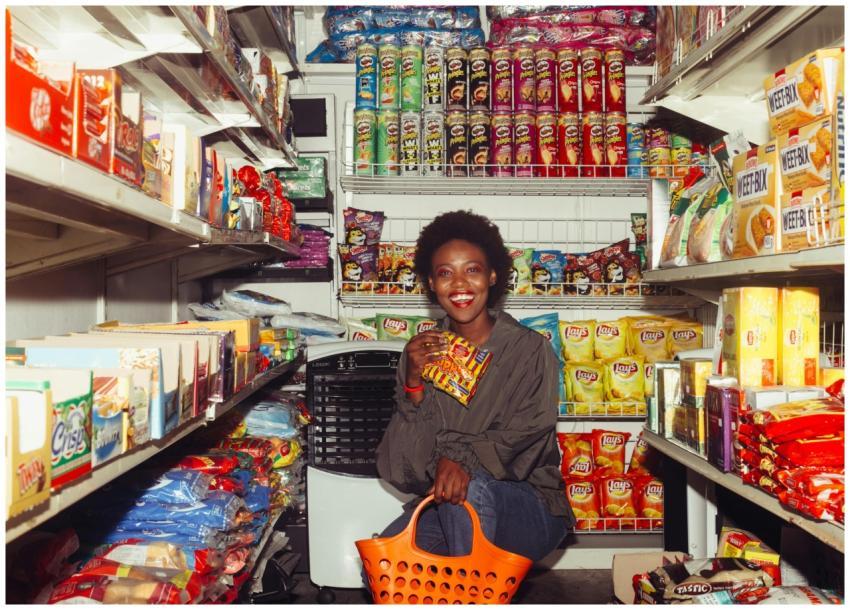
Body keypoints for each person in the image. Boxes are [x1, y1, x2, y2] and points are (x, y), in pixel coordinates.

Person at [375, 210, 574, 563]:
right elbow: (402, 469)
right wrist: (413, 385)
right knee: (384, 564)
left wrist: (460, 458)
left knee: (462, 492)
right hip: (450, 503)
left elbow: (525, 436)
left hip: (530, 506)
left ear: (493, 275)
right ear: (431, 285)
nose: (460, 284)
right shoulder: (422, 353)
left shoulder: (528, 349)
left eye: (473, 269)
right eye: (445, 273)